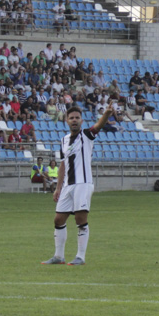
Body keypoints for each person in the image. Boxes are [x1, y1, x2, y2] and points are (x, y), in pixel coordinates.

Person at [42, 105, 113, 266]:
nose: (74, 120)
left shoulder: (86, 135)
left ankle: (80, 257)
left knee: (80, 219)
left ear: (81, 120)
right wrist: (58, 187)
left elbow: (98, 126)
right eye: (71, 118)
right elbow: (63, 165)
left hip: (83, 183)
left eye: (77, 118)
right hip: (67, 186)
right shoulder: (64, 140)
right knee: (58, 219)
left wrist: (107, 113)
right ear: (67, 121)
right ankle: (58, 256)